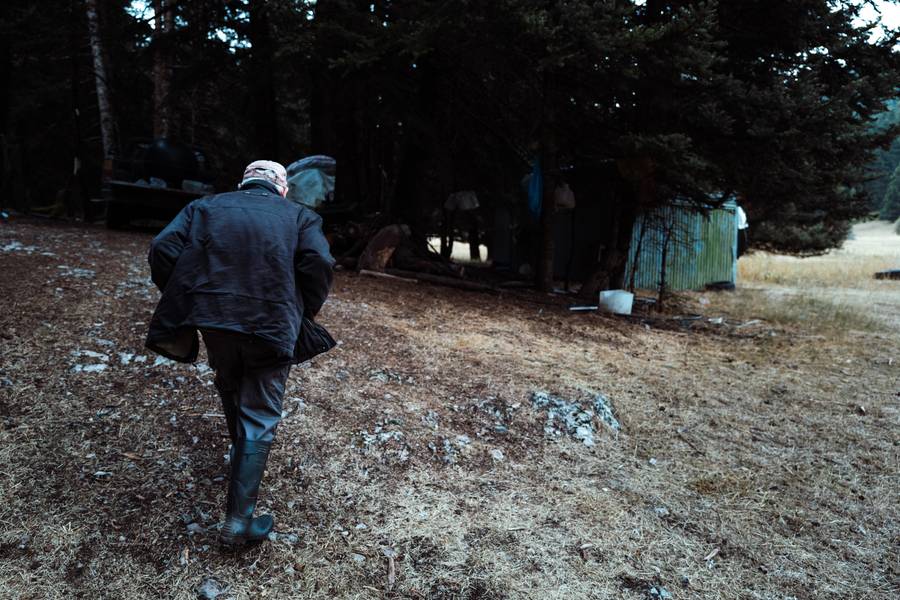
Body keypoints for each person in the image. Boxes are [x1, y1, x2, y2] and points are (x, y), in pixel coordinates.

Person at [145, 160, 335, 546]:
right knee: (262, 406)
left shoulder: (206, 207)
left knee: (229, 380)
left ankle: (239, 450)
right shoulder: (299, 215)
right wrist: (304, 308)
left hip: (215, 317)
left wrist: (185, 292)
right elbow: (318, 262)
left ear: (243, 183)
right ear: (282, 189)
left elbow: (163, 248)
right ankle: (238, 522)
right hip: (271, 321)